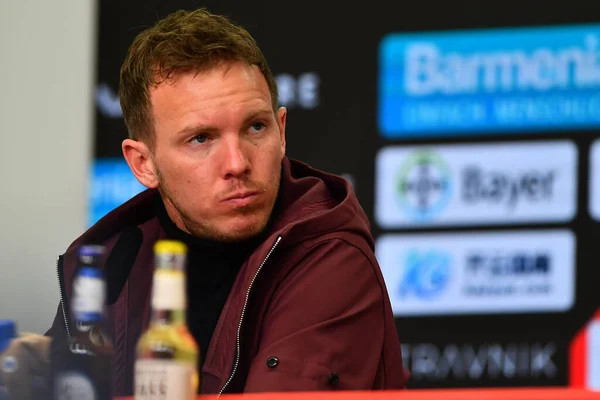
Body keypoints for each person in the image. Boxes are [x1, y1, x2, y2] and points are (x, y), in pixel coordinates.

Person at [46, 7, 409, 396]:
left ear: (281, 131)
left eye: (256, 127)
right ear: (143, 163)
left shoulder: (331, 256)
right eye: (201, 138)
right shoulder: (108, 262)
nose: (237, 163)